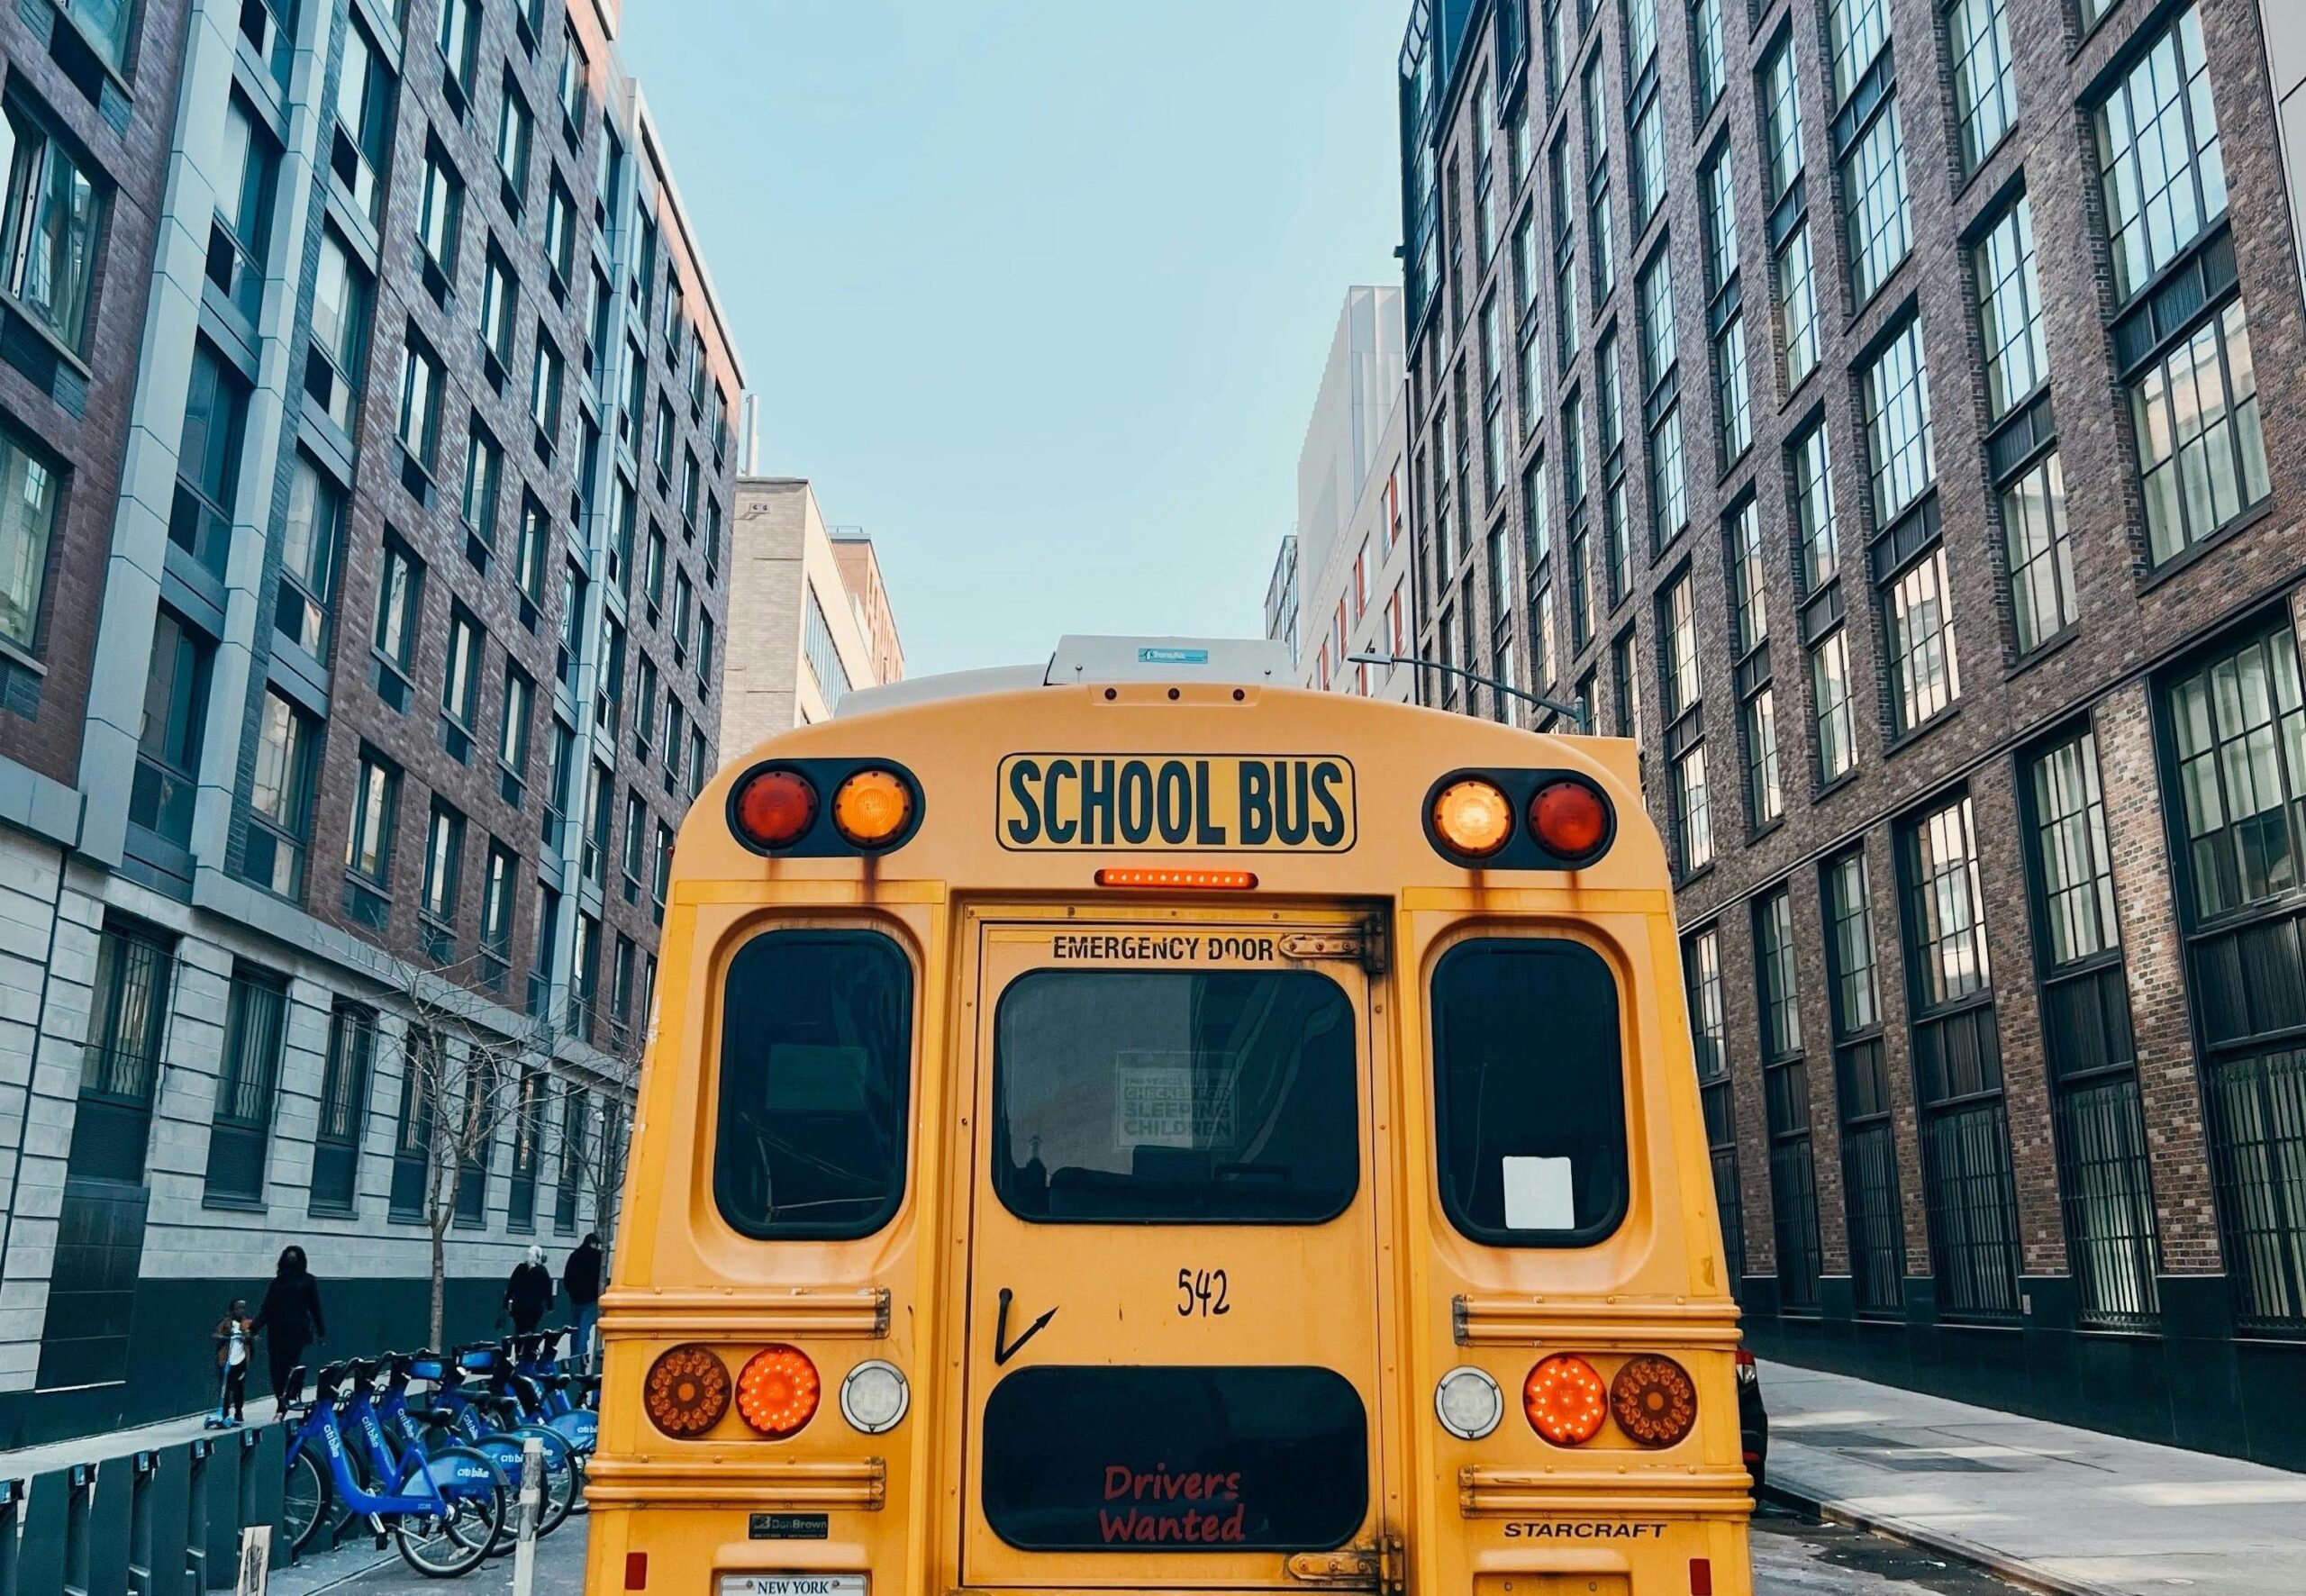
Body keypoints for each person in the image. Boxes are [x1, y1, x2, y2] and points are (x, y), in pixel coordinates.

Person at [252, 1246, 326, 1405]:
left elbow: (315, 1307)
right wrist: (255, 1326)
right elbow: (267, 1307)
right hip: (277, 1329)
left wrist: (321, 1331)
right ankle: (280, 1395)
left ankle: (291, 1393)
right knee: (277, 1365)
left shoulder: (308, 1281)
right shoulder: (278, 1282)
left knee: (291, 1364)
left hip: (297, 1329)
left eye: (294, 1258)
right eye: (289, 1257)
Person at [210, 1299, 252, 1426]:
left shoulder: (247, 1323)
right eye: (238, 1308)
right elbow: (215, 1335)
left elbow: (254, 1335)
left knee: (239, 1388)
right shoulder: (225, 1324)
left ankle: (238, 1413)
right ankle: (224, 1414)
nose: (241, 1311)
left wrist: (247, 1337)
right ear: (232, 1310)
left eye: (242, 1308)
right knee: (226, 1388)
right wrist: (225, 1337)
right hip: (226, 1361)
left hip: (241, 1361)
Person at [562, 1233, 604, 1363]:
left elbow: (567, 1278)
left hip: (576, 1299)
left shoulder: (574, 1256)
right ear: (593, 1243)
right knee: (584, 1329)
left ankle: (574, 1356)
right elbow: (601, 1278)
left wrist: (572, 1293)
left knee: (575, 1329)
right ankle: (580, 1358)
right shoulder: (598, 1258)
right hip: (591, 1299)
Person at [505, 1245, 555, 1335]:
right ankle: (528, 1347)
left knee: (519, 1330)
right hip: (534, 1307)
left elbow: (511, 1286)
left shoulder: (520, 1269)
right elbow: (548, 1289)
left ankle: (519, 1347)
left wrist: (506, 1303)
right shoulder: (542, 1271)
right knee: (531, 1330)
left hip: (519, 1306)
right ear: (538, 1257)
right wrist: (550, 1306)